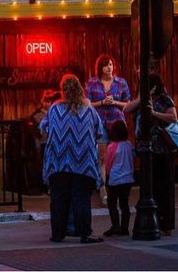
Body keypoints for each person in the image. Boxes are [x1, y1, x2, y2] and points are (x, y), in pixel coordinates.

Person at [40, 74, 104, 244]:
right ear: (80, 88)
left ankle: (58, 234)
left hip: (58, 160)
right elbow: (99, 132)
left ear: (63, 90)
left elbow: (43, 128)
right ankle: (85, 233)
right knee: (81, 198)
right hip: (83, 161)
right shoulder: (89, 110)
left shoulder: (54, 109)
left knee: (59, 199)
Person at [124, 72, 178, 235]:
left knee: (164, 188)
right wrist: (143, 98)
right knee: (149, 187)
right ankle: (152, 220)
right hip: (145, 150)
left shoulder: (164, 99)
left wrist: (155, 114)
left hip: (162, 149)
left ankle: (166, 224)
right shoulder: (142, 100)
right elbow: (127, 109)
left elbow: (173, 118)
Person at [86, 55, 130, 205]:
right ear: (100, 68)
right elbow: (86, 104)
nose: (109, 68)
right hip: (99, 123)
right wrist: (101, 102)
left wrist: (114, 102)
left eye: (110, 64)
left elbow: (128, 104)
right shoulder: (92, 82)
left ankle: (116, 187)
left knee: (117, 155)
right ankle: (103, 189)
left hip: (116, 123)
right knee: (102, 157)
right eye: (105, 65)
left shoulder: (121, 82)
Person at [103, 119, 135, 236]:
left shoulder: (112, 146)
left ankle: (115, 226)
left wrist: (108, 176)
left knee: (112, 204)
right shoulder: (129, 144)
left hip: (115, 179)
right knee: (124, 204)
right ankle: (124, 228)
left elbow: (108, 163)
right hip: (128, 179)